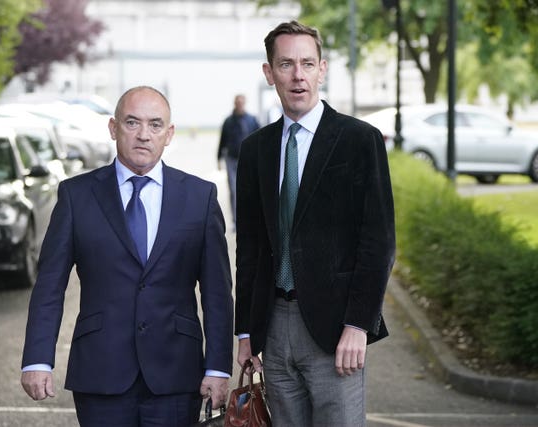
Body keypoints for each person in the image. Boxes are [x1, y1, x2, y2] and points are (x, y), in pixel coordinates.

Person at [21, 86, 234, 427]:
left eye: (155, 125)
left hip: (176, 374)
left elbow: (218, 294)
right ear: (113, 128)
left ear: (169, 134)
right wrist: (37, 360)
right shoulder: (76, 196)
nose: (143, 135)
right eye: (132, 123)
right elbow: (49, 285)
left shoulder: (200, 197)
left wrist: (219, 366)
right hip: (100, 372)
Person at [234, 21, 395, 427]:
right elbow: (250, 247)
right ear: (269, 73)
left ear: (322, 69)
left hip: (335, 329)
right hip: (273, 325)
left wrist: (359, 323)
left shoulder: (360, 140)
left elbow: (378, 242)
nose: (298, 75)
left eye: (307, 63)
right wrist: (245, 331)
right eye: (286, 64)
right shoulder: (255, 149)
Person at [217, 94, 260, 231]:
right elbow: (222, 141)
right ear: (234, 103)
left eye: (242, 102)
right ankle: (236, 221)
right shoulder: (228, 121)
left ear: (245, 103)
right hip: (231, 159)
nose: (239, 104)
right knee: (233, 191)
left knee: (250, 189)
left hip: (248, 160)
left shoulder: (252, 120)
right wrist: (218, 159)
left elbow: (261, 139)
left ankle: (249, 219)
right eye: (237, 102)